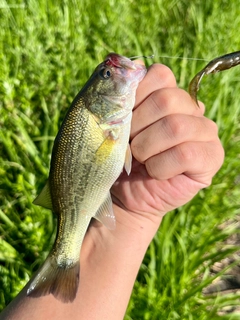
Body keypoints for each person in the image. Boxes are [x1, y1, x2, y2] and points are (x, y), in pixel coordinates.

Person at [0, 62, 224, 320]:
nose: (113, 70)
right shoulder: (97, 121)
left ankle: (62, 262)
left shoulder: (105, 122)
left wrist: (132, 214)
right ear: (97, 100)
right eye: (107, 75)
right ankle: (63, 259)